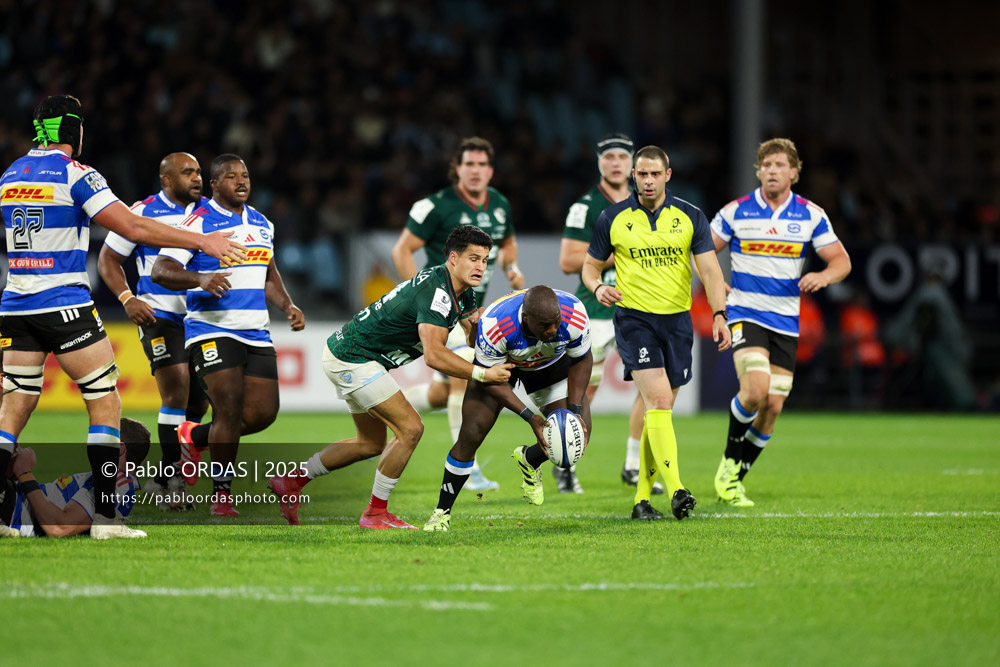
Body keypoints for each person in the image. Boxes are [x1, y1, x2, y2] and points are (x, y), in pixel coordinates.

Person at [0, 95, 244, 539]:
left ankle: (1, 519)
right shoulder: (78, 175)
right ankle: (107, 520)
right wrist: (200, 242)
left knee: (12, 409)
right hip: (64, 304)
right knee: (105, 401)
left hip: (15, 306)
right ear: (72, 131)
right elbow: (129, 228)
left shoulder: (9, 175)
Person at [268, 226, 513, 529]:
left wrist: (479, 325)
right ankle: (374, 514)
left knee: (369, 444)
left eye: (485, 260)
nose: (480, 267)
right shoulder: (437, 293)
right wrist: (483, 374)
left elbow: (472, 340)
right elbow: (434, 355)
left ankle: (291, 481)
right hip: (354, 357)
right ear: (452, 258)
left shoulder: (463, 292)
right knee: (411, 429)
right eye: (473, 258)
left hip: (351, 353)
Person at [581, 145, 732, 521]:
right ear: (633, 176)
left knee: (657, 413)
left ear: (667, 175)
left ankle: (642, 500)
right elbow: (589, 267)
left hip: (678, 323)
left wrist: (719, 313)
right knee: (660, 402)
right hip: (635, 322)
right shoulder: (612, 218)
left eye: (654, 174)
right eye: (641, 174)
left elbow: (711, 272)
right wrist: (598, 288)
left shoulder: (690, 216)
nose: (647, 180)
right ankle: (678, 489)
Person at [151, 154, 304, 517]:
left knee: (264, 414)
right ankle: (222, 497)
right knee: (229, 407)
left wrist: (288, 305)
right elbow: (161, 269)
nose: (241, 181)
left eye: (246, 175)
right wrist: (200, 278)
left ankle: (193, 437)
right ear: (215, 185)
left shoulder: (262, 223)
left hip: (256, 331)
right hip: (211, 329)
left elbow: (269, 274)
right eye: (231, 176)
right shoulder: (198, 221)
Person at [709, 138, 851, 506]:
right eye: (765, 165)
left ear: (794, 172)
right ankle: (728, 461)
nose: (771, 170)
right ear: (758, 171)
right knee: (755, 391)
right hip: (745, 312)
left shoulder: (811, 215)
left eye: (779, 165)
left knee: (773, 407)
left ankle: (736, 477)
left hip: (786, 322)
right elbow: (701, 249)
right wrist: (713, 280)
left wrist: (824, 276)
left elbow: (841, 261)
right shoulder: (736, 211)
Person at [391, 137, 523, 492]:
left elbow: (507, 242)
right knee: (465, 376)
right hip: (440, 307)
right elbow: (402, 249)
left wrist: (511, 268)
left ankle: (381, 405)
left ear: (490, 170)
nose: (476, 171)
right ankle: (468, 467)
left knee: (439, 395)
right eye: (469, 164)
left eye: (482, 165)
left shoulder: (499, 204)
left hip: (470, 309)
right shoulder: (436, 205)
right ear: (458, 169)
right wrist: (422, 294)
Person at [423, 285, 593, 531]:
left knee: (573, 441)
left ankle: (530, 459)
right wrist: (529, 416)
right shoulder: (495, 324)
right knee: (470, 434)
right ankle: (441, 512)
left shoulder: (574, 312)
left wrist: (575, 412)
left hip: (551, 366)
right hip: (500, 370)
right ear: (526, 318)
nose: (553, 330)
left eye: (555, 323)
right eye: (545, 325)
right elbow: (487, 378)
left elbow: (581, 358)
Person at [97, 153, 211, 511]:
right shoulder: (142, 212)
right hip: (159, 314)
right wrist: (127, 298)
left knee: (200, 401)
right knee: (176, 390)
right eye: (187, 172)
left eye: (198, 172)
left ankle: (162, 477)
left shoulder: (210, 211)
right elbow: (107, 259)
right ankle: (175, 482)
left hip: (200, 318)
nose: (196, 178)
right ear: (166, 180)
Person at [558, 133, 661, 496]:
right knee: (584, 392)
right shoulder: (586, 206)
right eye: (608, 157)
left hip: (642, 308)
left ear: (633, 165)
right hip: (596, 309)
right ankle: (565, 463)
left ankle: (634, 465)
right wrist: (621, 251)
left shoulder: (649, 202)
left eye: (622, 157)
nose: (615, 163)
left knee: (652, 388)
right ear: (600, 163)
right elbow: (568, 260)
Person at [1, 417, 150, 538]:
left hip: (11, 508)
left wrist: (25, 473)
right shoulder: (110, 477)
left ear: (120, 448)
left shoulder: (118, 483)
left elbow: (60, 527)